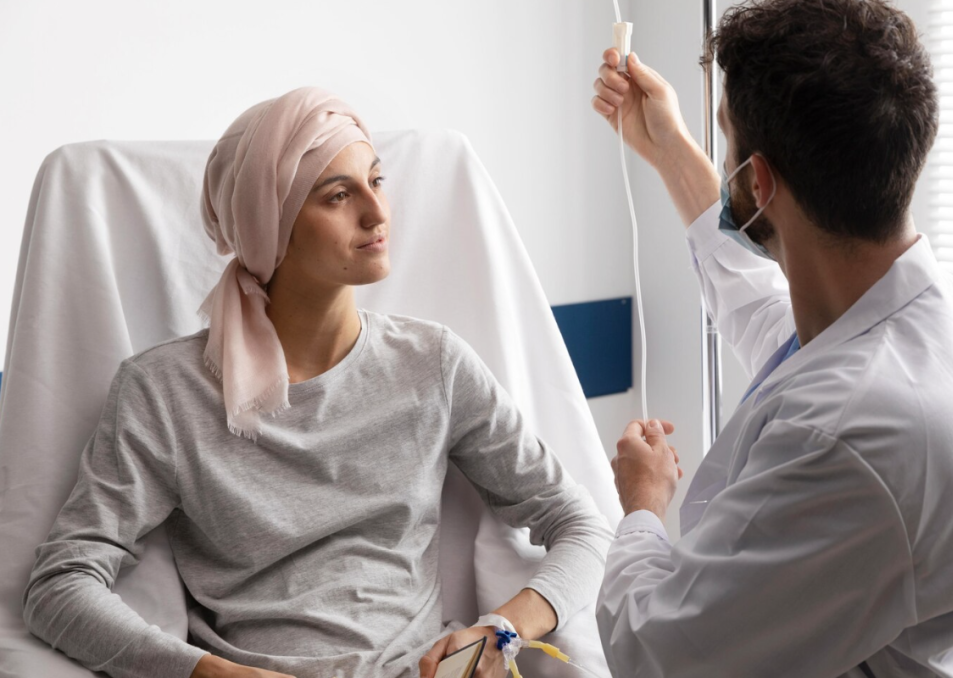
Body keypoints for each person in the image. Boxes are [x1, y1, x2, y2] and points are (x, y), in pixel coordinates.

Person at [23, 87, 612, 678]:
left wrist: (503, 629)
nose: (377, 213)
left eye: (376, 181)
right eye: (338, 195)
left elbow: (581, 523)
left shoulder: (434, 364)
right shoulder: (163, 393)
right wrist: (208, 674)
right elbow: (59, 585)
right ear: (268, 226)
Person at [590, 1, 953, 676]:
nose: (723, 158)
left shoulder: (847, 433)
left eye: (725, 139)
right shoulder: (922, 308)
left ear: (758, 181)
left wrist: (643, 506)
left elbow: (655, 650)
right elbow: (769, 315)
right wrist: (671, 149)